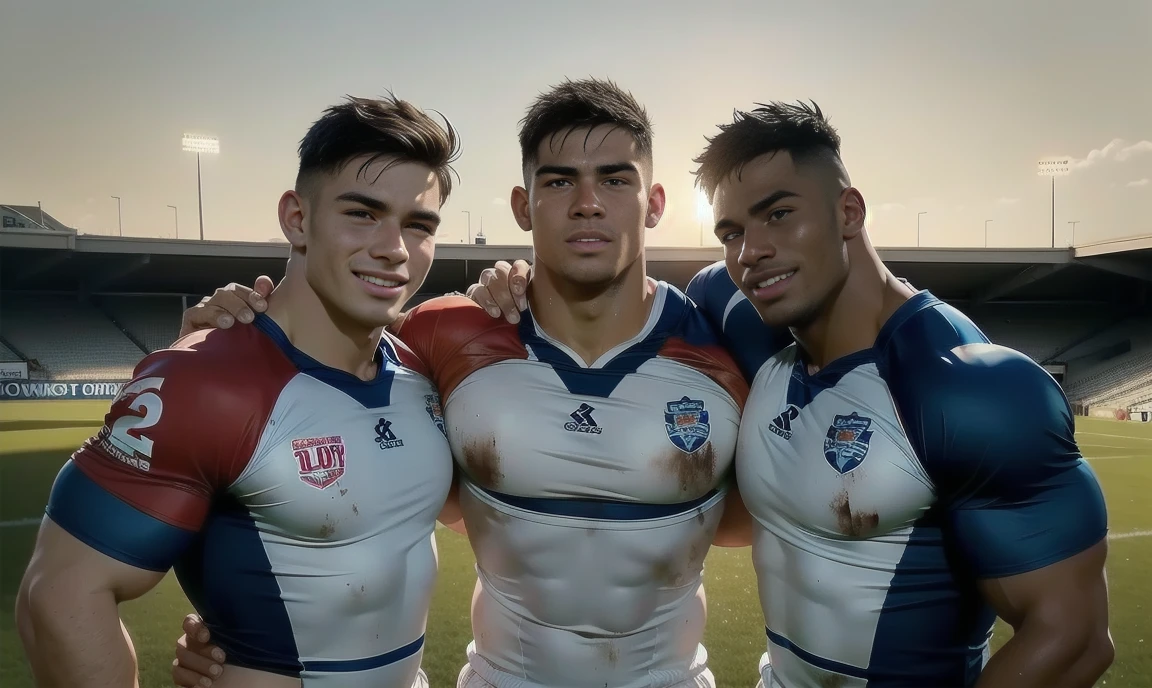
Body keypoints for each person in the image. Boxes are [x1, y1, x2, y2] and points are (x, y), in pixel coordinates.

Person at [468, 101, 1116, 687]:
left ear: (848, 211)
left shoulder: (966, 386)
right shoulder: (736, 313)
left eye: (779, 214)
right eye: (730, 232)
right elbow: (610, 304)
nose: (752, 251)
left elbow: (1073, 641)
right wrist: (514, 284)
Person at [171, 78, 750, 688]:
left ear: (655, 201)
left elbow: (766, 514)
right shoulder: (442, 337)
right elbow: (317, 367)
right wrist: (229, 332)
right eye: (557, 181)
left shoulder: (726, 348)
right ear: (523, 207)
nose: (588, 202)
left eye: (615, 178)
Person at [16, 94, 463, 688]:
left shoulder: (420, 372)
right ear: (297, 218)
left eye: (418, 224)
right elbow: (60, 597)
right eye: (362, 213)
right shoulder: (203, 381)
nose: (394, 248)